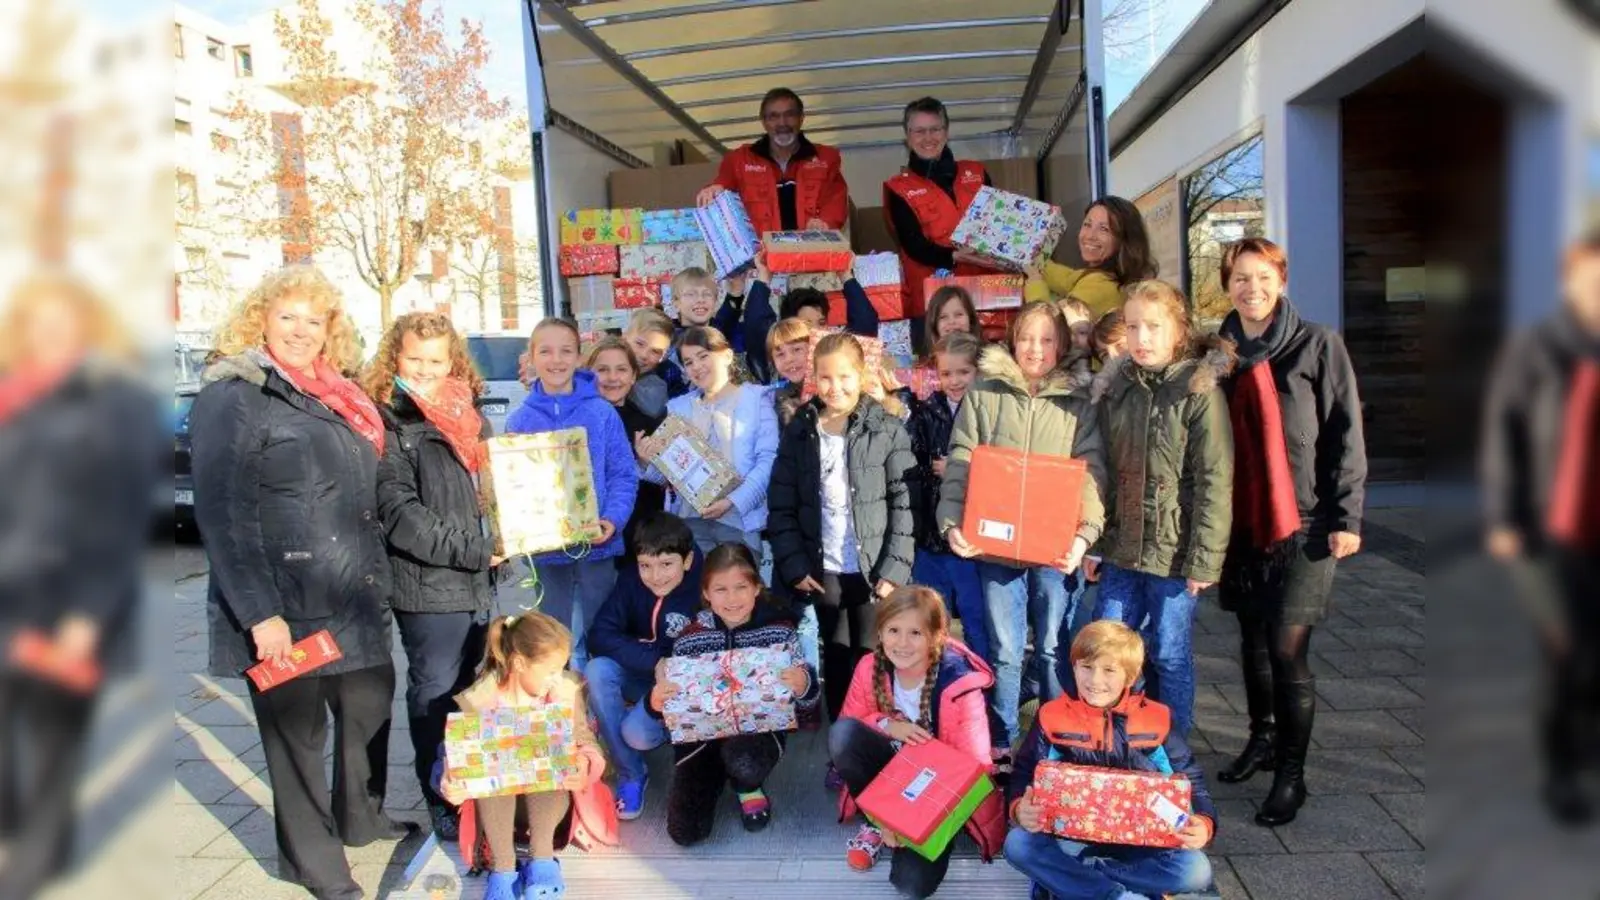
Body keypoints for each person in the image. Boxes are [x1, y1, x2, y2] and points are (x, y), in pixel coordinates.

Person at [190, 266, 413, 900]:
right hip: (283, 599)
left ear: (331, 332)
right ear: (259, 318)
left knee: (368, 705)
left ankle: (358, 817)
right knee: (298, 736)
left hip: (351, 591)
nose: (300, 331)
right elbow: (223, 512)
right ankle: (312, 859)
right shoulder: (235, 395)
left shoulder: (333, 393)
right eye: (287, 316)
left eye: (314, 321)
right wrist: (259, 613)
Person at [0, 270, 162, 900]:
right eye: (37, 320)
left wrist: (88, 612)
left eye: (62, 321)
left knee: (52, 736)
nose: (48, 333)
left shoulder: (114, 404)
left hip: (70, 597)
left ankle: (40, 855)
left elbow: (119, 514)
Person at [1212, 237, 1366, 827]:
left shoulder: (1318, 344)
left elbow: (1346, 432)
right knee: (1251, 641)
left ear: (1280, 279)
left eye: (1262, 277)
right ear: (1227, 285)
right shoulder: (1216, 354)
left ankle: (1292, 776)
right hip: (1243, 518)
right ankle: (1263, 736)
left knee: (1286, 649)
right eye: (1239, 279)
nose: (1251, 289)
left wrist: (1346, 517)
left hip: (1303, 522)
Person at [937, 301, 1107, 770]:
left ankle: (1056, 738)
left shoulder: (1079, 399)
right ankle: (1004, 740)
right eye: (1027, 338)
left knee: (1054, 645)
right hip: (996, 549)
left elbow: (1091, 471)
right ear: (1013, 341)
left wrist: (1083, 536)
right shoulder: (986, 392)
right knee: (1007, 649)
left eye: (1046, 340)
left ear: (1062, 345)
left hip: (1056, 549)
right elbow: (963, 459)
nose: (1035, 349)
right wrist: (953, 523)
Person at [363, 312, 502, 842]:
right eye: (414, 359)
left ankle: (469, 782)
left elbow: (490, 491)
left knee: (471, 688)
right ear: (394, 359)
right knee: (436, 692)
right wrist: (476, 548)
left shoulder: (467, 413)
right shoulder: (388, 420)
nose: (424, 369)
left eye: (436, 360)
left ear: (454, 361)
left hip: (476, 578)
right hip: (428, 584)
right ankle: (440, 794)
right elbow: (400, 515)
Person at [1482, 229, 1600, 824]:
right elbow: (1504, 433)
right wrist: (1504, 515)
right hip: (1554, 530)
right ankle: (1562, 770)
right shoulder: (1538, 347)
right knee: (1565, 652)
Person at [1086, 281, 1235, 738]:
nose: (1142, 338)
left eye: (1153, 327)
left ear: (1178, 332)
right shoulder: (1116, 388)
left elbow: (1215, 479)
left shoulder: (1198, 390)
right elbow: (1101, 471)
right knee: (1107, 652)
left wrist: (1205, 559)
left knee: (1169, 654)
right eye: (1133, 327)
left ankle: (1173, 751)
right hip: (1120, 551)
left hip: (1174, 555)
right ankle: (1108, 745)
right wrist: (1093, 543)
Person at [1003, 620, 1216, 899]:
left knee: (1196, 870)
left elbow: (1192, 781)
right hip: (1070, 838)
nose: (1095, 681)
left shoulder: (1157, 719)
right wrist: (1020, 808)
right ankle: (1118, 895)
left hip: (1141, 842)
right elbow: (1023, 774)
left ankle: (1079, 880)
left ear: (1129, 676)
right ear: (1074, 667)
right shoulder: (1051, 715)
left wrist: (1202, 822)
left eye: (1109, 670)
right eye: (1086, 667)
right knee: (1017, 844)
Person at [768, 333, 917, 722]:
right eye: (826, 378)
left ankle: (876, 733)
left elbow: (905, 502)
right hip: (825, 569)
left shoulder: (886, 429)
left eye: (844, 376)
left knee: (872, 656)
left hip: (872, 571)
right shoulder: (800, 430)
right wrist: (795, 565)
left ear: (861, 374)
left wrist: (893, 569)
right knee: (835, 653)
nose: (836, 387)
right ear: (814, 379)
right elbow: (781, 503)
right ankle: (841, 734)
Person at [829, 586, 1004, 896]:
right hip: (887, 773)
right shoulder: (870, 665)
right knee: (842, 734)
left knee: (910, 886)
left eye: (915, 633)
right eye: (893, 630)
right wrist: (887, 724)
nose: (903, 643)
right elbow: (852, 721)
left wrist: (915, 818)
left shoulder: (959, 684)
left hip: (935, 789)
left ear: (936, 637)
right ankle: (876, 822)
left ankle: (905, 833)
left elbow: (973, 767)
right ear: (880, 632)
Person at [649, 544, 822, 844]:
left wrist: (803, 683)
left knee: (744, 760)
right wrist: (657, 702)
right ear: (706, 593)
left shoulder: (780, 632)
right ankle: (714, 776)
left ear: (756, 588)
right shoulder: (689, 639)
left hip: (756, 736)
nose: (732, 599)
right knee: (685, 832)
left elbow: (808, 702)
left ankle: (747, 786)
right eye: (721, 589)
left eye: (741, 587)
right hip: (702, 742)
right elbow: (673, 712)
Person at [438, 611, 613, 900]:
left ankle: (543, 860)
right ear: (520, 663)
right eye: (551, 670)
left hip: (550, 805)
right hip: (499, 811)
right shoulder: (480, 700)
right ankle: (503, 868)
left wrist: (583, 764)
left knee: (545, 758)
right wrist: (451, 782)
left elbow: (585, 739)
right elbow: (452, 757)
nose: (557, 678)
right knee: (492, 771)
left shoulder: (564, 692)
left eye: (561, 669)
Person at [505, 319, 640, 673]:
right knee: (551, 638)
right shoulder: (520, 420)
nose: (557, 360)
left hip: (598, 544)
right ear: (531, 358)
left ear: (579, 357)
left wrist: (613, 519)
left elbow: (623, 474)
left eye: (566, 351)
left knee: (603, 632)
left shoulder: (601, 412)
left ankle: (604, 709)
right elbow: (511, 485)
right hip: (547, 552)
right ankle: (563, 712)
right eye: (545, 351)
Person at [583, 513, 701, 821]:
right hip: (642, 675)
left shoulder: (704, 584)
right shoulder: (631, 580)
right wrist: (653, 660)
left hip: (685, 688)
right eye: (646, 565)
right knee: (597, 671)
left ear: (686, 561)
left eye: (666, 564)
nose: (656, 576)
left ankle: (689, 758)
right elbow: (600, 634)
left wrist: (674, 668)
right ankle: (631, 774)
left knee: (636, 733)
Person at [640, 326, 778, 557]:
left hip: (738, 521)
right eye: (689, 362)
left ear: (727, 355)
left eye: (704, 356)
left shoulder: (757, 399)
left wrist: (733, 501)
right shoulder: (678, 407)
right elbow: (668, 474)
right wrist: (646, 461)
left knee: (736, 587)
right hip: (689, 525)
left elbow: (768, 460)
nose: (697, 367)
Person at [882, 97, 996, 341]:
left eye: (935, 129)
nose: (928, 138)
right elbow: (913, 245)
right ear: (907, 136)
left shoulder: (976, 173)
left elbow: (997, 226)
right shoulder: (898, 188)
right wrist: (953, 256)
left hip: (986, 300)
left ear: (946, 132)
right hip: (933, 307)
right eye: (919, 131)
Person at [907, 332, 988, 661]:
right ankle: (933, 688)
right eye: (946, 374)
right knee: (931, 622)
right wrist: (931, 468)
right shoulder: (925, 412)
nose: (954, 381)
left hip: (976, 541)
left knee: (977, 621)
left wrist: (963, 469)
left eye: (963, 372)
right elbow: (910, 464)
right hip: (933, 537)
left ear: (978, 372)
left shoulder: (989, 409)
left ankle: (983, 687)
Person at [696, 87, 849, 236]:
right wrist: (712, 190)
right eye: (773, 116)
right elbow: (722, 184)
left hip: (810, 255)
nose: (782, 123)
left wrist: (825, 223)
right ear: (763, 121)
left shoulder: (826, 158)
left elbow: (836, 202)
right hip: (761, 259)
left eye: (789, 115)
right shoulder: (739, 160)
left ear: (801, 118)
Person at [584, 337, 667, 565]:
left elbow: (661, 492)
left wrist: (644, 464)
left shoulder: (648, 425)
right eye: (602, 370)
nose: (612, 378)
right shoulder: (577, 422)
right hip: (585, 538)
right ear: (588, 374)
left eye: (621, 370)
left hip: (635, 542)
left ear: (633, 377)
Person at [740, 250, 881, 385]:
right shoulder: (775, 364)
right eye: (806, 324)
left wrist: (845, 275)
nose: (816, 330)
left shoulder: (837, 357)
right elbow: (755, 323)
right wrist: (764, 276)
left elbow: (865, 322)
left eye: (821, 323)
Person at [1023, 196, 1156, 319]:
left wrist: (1034, 280)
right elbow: (1066, 278)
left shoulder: (1102, 287)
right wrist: (1029, 255)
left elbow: (1046, 325)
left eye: (1104, 229)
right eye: (1087, 224)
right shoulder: (1102, 278)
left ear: (1123, 240)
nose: (1090, 236)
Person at [903, 285, 981, 401]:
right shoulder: (924, 371)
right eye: (943, 317)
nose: (952, 322)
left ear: (971, 319)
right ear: (934, 326)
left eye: (958, 314)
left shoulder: (987, 361)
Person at [623, 308, 677, 419]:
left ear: (662, 357)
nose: (644, 355)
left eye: (655, 351)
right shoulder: (598, 366)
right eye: (639, 344)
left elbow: (653, 408)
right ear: (624, 338)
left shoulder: (656, 386)